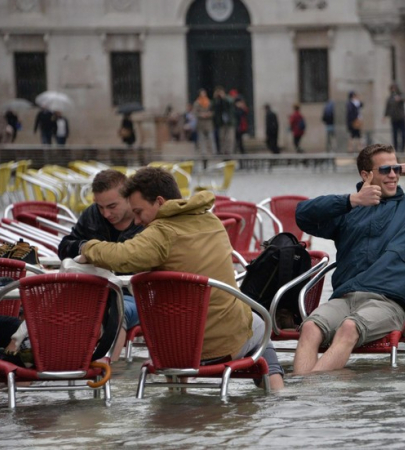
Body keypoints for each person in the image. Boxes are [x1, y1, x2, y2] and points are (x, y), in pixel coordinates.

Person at [78, 167, 284, 389]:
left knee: (181, 324)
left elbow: (120, 256)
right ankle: (277, 392)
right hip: (219, 345)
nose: (136, 221)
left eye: (139, 212)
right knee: (260, 323)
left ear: (159, 202)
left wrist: (87, 246)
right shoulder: (212, 222)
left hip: (171, 350)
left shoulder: (160, 233)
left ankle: (179, 398)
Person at [292, 144, 405, 374]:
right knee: (311, 328)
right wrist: (351, 200)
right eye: (385, 169)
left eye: (395, 169)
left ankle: (303, 393)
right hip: (344, 299)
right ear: (366, 175)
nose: (393, 175)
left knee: (348, 327)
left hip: (386, 303)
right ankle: (305, 399)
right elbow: (302, 214)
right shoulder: (348, 210)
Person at [58, 169, 144, 361]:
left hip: (134, 294)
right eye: (101, 207)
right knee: (52, 306)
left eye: (112, 206)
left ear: (129, 198)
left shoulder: (145, 220)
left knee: (115, 310)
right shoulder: (92, 214)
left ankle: (106, 375)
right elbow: (64, 247)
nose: (106, 213)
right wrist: (83, 248)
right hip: (94, 291)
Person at [383, 83, 405, 153]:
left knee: (403, 134)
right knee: (395, 135)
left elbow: (404, 98)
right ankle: (396, 148)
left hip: (401, 118)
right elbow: (387, 108)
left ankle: (402, 148)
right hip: (394, 118)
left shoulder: (400, 95)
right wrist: (385, 116)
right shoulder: (390, 98)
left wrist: (399, 98)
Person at [212, 86, 235, 155]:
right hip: (221, 122)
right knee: (222, 137)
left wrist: (224, 97)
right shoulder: (217, 101)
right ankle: (223, 151)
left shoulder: (228, 98)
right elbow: (213, 107)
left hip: (229, 121)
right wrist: (216, 98)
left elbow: (231, 102)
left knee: (230, 138)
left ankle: (229, 151)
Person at [193, 89, 216, 155]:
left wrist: (209, 114)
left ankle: (213, 152)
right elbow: (195, 112)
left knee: (211, 137)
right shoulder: (197, 103)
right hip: (201, 123)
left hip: (208, 122)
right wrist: (201, 114)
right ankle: (203, 152)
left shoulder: (209, 102)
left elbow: (213, 111)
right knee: (201, 138)